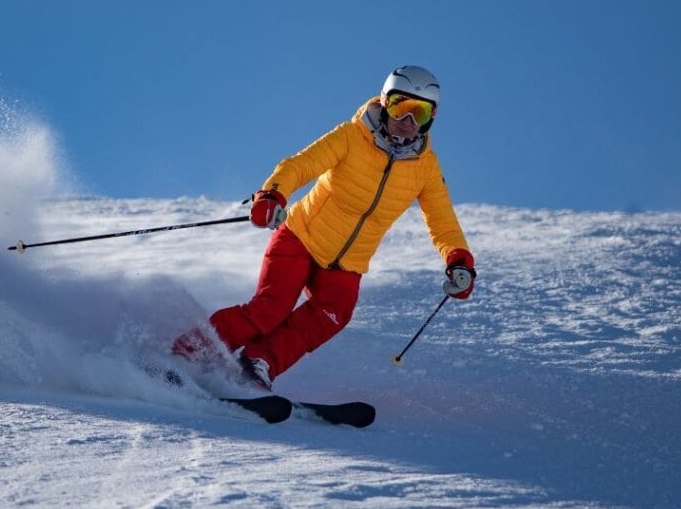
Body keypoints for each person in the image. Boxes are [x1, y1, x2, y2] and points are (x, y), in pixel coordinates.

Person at [173, 65, 475, 390]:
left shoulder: (425, 168)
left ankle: (258, 363)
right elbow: (300, 165)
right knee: (270, 309)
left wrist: (459, 261)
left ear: (432, 117)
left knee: (333, 314)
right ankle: (187, 354)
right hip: (301, 238)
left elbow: (442, 220)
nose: (408, 120)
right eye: (402, 106)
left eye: (420, 112)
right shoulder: (351, 136)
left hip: (347, 264)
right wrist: (272, 195)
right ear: (386, 102)